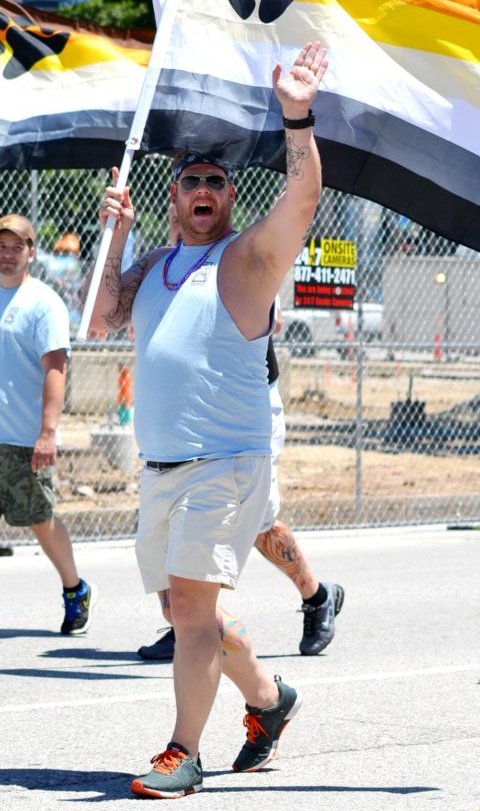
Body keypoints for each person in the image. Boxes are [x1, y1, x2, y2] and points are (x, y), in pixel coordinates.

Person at [89, 41, 328, 799]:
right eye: (188, 180)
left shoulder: (247, 260)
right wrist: (118, 234)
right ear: (172, 194)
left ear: (228, 197)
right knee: (183, 607)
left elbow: (301, 201)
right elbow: (99, 322)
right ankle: (268, 700)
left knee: (189, 606)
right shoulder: (153, 265)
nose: (202, 190)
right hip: (161, 467)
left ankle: (180, 753)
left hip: (225, 462)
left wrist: (297, 115)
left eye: (215, 182)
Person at [138, 285, 345, 662]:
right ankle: (183, 621)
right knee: (175, 515)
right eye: (174, 220)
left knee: (258, 524)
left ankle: (317, 597)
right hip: (190, 409)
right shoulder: (166, 266)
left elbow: (273, 320)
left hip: (245, 409)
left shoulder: (239, 257)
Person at [0, 214, 96, 635]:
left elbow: (56, 369)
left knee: (40, 519)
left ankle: (75, 590)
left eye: (16, 247)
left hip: (24, 438)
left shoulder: (44, 302)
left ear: (32, 252)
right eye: (2, 246)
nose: (7, 254)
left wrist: (47, 432)